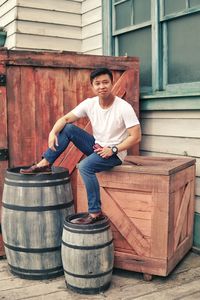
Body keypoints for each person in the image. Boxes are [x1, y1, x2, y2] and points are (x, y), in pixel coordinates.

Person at [20, 67, 141, 224]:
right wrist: (52, 132)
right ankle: (45, 163)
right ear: (92, 86)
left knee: (84, 166)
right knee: (68, 128)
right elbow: (65, 119)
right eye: (97, 83)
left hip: (114, 154)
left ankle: (95, 212)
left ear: (111, 84)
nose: (102, 86)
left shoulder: (123, 107)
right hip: (97, 147)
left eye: (105, 82)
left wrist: (114, 149)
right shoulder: (90, 104)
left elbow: (136, 136)